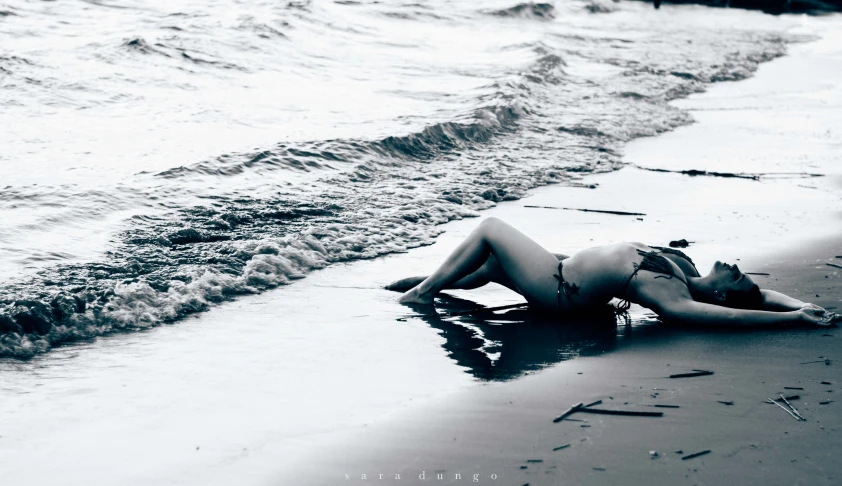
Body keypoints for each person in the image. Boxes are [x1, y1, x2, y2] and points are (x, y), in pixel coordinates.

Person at [388, 217, 838, 327]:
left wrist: (792, 322)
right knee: (484, 267)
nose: (738, 269)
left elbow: (737, 315)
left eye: (737, 278)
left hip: (559, 289)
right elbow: (762, 297)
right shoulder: (687, 269)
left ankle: (422, 295)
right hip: (560, 270)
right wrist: (800, 305)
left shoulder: (675, 297)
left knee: (490, 230)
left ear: (720, 295)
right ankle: (425, 285)